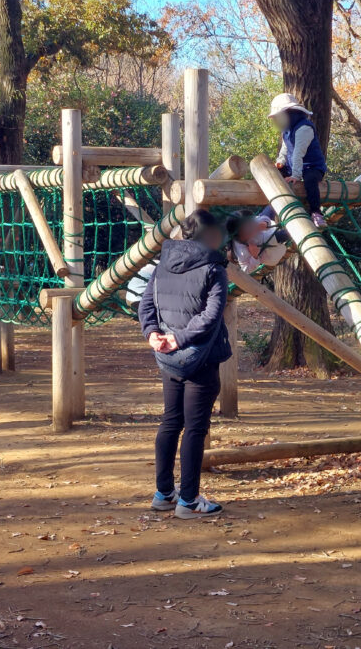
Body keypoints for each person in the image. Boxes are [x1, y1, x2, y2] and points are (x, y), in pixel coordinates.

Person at [138, 210, 231, 519]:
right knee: (194, 428)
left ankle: (164, 493)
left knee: (171, 422)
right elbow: (212, 314)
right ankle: (188, 501)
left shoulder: (163, 262)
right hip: (199, 357)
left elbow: (146, 304)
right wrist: (180, 338)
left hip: (168, 358)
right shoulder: (214, 266)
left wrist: (153, 334)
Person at [269, 93, 328, 228]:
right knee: (274, 173)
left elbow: (298, 153)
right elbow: (285, 149)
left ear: (288, 114)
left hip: (312, 167)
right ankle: (274, 213)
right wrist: (280, 163)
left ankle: (316, 212)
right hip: (294, 166)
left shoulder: (304, 128)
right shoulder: (287, 130)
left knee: (310, 180)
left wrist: (295, 175)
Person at [226, 209, 291, 273]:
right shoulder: (241, 251)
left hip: (267, 232)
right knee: (288, 232)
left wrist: (264, 223)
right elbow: (246, 270)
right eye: (249, 227)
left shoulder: (248, 223)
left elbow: (261, 219)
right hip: (269, 249)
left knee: (271, 207)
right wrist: (254, 256)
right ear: (241, 234)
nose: (253, 226)